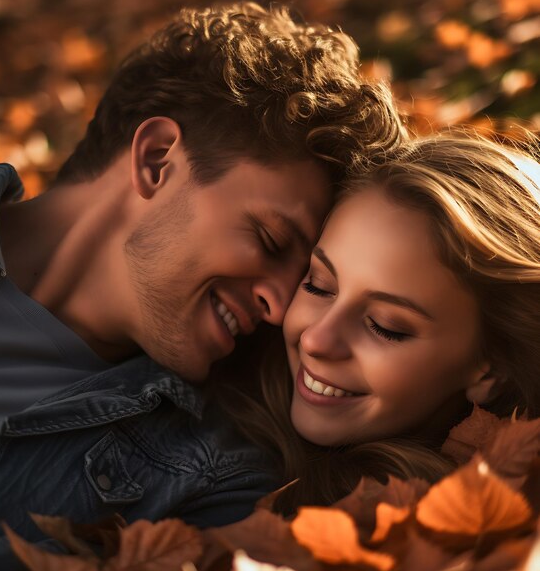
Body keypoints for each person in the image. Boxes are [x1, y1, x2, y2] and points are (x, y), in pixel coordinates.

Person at [0, 1, 405, 571]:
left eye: (307, 279)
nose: (281, 309)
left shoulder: (203, 480)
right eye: (272, 242)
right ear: (157, 160)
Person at [218, 130, 540, 513]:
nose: (316, 341)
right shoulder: (203, 412)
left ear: (494, 370)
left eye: (386, 326)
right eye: (318, 285)